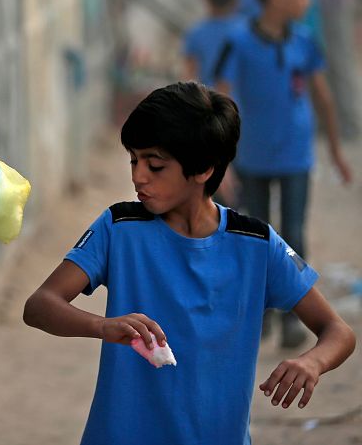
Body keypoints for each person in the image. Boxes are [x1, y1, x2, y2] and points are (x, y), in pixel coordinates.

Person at [23, 82, 356, 445]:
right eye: (134, 160)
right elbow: (40, 306)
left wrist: (312, 362)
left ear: (203, 170)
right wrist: (102, 326)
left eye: (155, 165)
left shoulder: (258, 244)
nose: (138, 176)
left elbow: (338, 332)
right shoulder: (118, 229)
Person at [214, 0, 353, 348]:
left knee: (293, 236)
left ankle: (293, 316)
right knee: (255, 236)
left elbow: (323, 97)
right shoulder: (238, 41)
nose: (307, 0)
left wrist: (337, 152)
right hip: (251, 158)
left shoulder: (305, 42)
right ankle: (260, 314)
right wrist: (222, 162)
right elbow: (220, 99)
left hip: (296, 156)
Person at [291, 0, 362, 140]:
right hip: (306, 2)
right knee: (313, 62)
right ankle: (325, 122)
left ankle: (349, 123)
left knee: (340, 61)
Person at [182, 0, 242, 87]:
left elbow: (189, 76)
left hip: (209, 100)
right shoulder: (245, 30)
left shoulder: (195, 33)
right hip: (240, 102)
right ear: (235, 0)